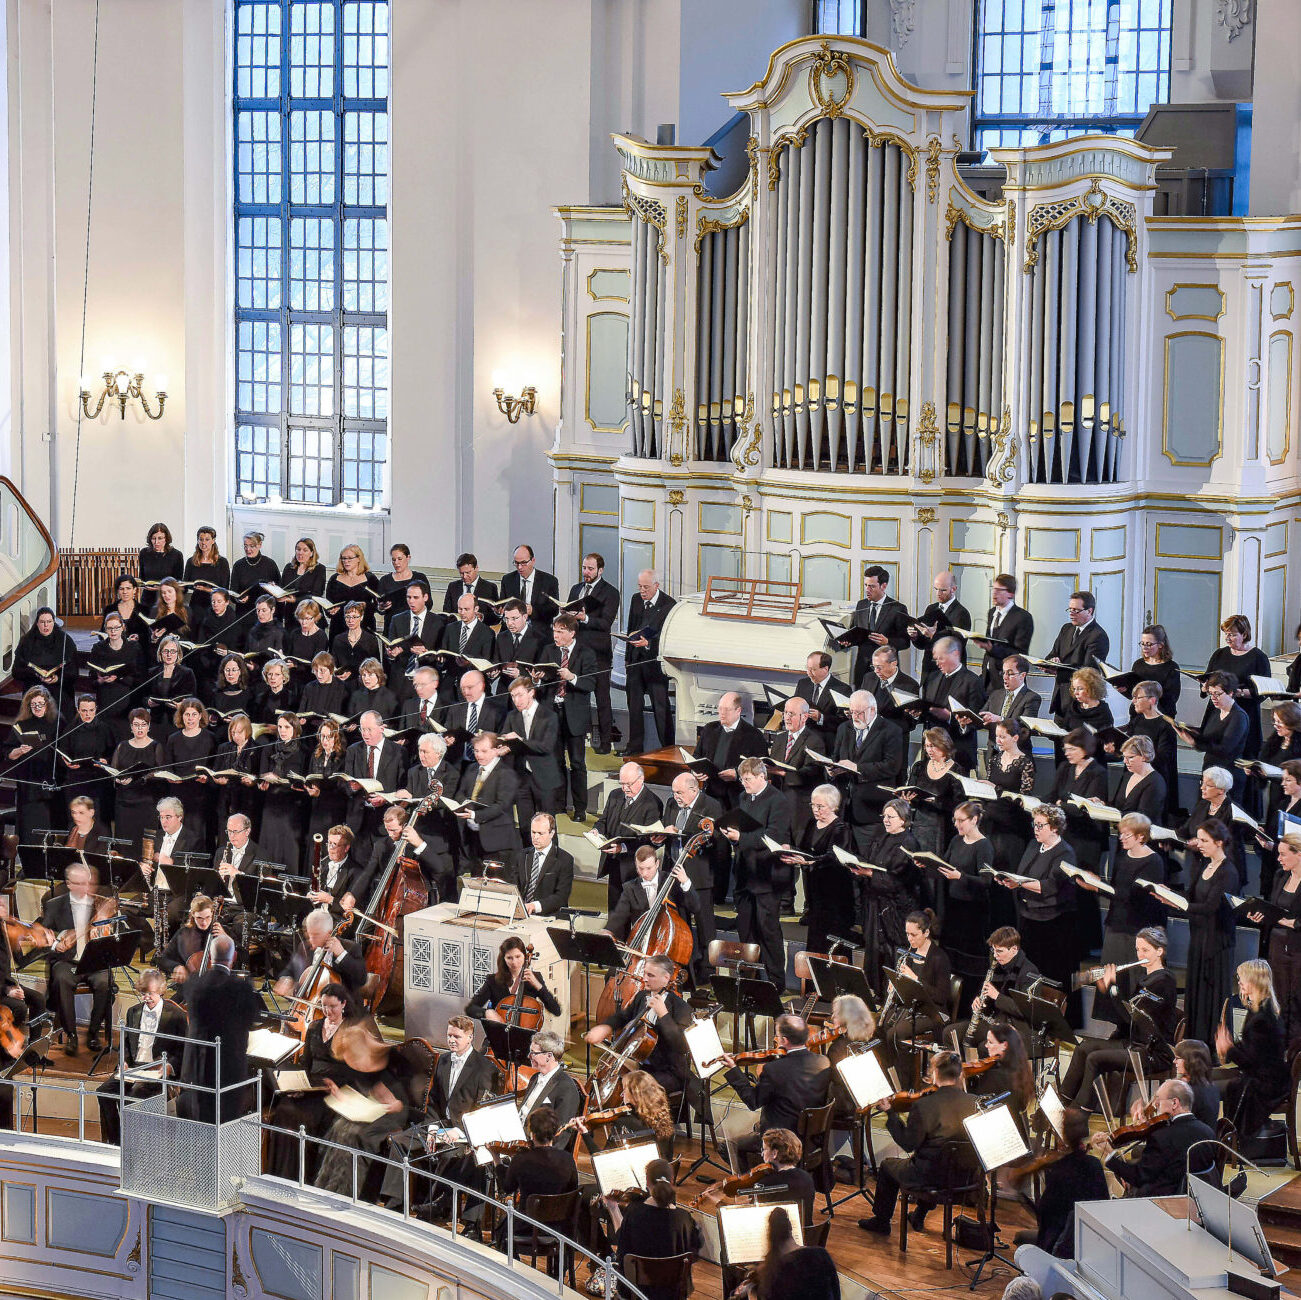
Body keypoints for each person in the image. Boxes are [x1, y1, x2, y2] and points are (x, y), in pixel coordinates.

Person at [856, 1050, 980, 1236]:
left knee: (888, 1166)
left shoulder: (925, 1105)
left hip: (929, 1179)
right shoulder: (975, 1102)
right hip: (964, 1179)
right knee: (937, 1160)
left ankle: (881, 1221)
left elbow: (908, 1144)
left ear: (935, 1074)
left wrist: (890, 1113)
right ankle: (918, 1216)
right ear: (960, 1074)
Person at [1060, 926, 1178, 1111]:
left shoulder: (1164, 982)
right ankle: (1062, 1101)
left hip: (1152, 1052)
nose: (1140, 955)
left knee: (1095, 1057)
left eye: (1145, 950)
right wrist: (1108, 989)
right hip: (1134, 1043)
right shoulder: (1145, 979)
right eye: (1138, 950)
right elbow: (1126, 1020)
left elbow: (1134, 1020)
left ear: (1159, 951)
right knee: (1084, 1047)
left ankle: (1078, 1112)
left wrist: (1113, 987)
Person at [265, 983, 367, 1181]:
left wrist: (336, 1087)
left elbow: (357, 1071)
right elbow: (305, 1063)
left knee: (304, 1117)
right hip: (311, 1088)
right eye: (324, 1006)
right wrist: (298, 1085)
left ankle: (306, 1178)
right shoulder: (314, 1027)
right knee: (286, 1109)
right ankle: (282, 1176)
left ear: (344, 1004)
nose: (328, 1011)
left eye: (333, 1006)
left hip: (335, 1091)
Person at [721, 1014, 831, 1169]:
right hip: (811, 1140)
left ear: (784, 1041)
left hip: (782, 1142)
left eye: (777, 1036)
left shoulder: (774, 1070)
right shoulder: (823, 1062)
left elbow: (753, 1101)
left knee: (728, 1146)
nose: (777, 1040)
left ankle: (754, 1185)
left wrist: (734, 1069)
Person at [720, 755, 793, 987]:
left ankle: (775, 982)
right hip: (745, 874)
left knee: (768, 931)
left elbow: (774, 836)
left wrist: (741, 837)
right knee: (746, 930)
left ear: (763, 777)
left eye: (748, 778)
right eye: (742, 779)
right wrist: (733, 838)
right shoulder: (743, 797)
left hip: (766, 876)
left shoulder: (778, 800)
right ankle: (750, 980)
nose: (744, 783)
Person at [96, 969, 188, 1144]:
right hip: (134, 1068)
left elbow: (183, 1049)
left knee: (134, 1096)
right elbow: (125, 1043)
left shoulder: (176, 1015)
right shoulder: (133, 1012)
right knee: (104, 1092)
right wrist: (123, 1061)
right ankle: (117, 1142)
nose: (146, 997)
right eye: (143, 993)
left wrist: (168, 1066)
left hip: (157, 1070)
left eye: (150, 993)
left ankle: (136, 1145)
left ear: (161, 990)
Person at [585, 952, 692, 1095]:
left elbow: (681, 1045)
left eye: (650, 975)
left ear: (666, 978)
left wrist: (663, 1015)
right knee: (607, 1079)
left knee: (634, 1087)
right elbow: (624, 1016)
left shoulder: (681, 1007)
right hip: (640, 1064)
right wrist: (605, 1027)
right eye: (645, 973)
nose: (644, 979)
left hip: (668, 1071)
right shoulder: (642, 996)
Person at [1090, 1078, 1217, 1196]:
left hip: (1164, 1203)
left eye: (1159, 1100)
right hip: (1198, 1199)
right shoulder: (1208, 1132)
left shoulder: (1161, 1137)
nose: (1155, 1104)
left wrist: (1109, 1152)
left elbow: (1138, 1178)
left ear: (1174, 1103)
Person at [40, 862, 118, 1054]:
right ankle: (71, 1035)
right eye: (80, 883)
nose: (86, 888)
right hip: (67, 961)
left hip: (94, 962)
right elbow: (42, 934)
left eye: (87, 883)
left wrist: (107, 933)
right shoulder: (54, 905)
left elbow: (116, 933)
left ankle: (93, 1033)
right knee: (62, 979)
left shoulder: (101, 903)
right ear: (69, 884)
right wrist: (54, 944)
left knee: (105, 982)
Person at [177, 962, 263, 1123]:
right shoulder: (240, 988)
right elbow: (252, 1018)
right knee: (222, 1121)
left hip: (197, 1071)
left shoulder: (195, 983)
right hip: (227, 1072)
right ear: (232, 959)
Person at [1216, 958, 1289, 1147]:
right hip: (1266, 1076)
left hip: (1267, 1084)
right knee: (1208, 1077)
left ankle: (1225, 1139)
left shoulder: (1263, 1018)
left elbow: (1252, 1063)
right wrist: (1231, 1047)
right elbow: (1252, 1051)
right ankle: (1221, 1137)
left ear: (1254, 981)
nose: (1239, 982)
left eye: (1242, 978)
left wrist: (1229, 1048)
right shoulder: (1259, 1009)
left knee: (1211, 1086)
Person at [1017, 1107, 1107, 1259]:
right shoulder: (1094, 1164)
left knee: (1021, 1237)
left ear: (1063, 1134)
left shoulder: (1058, 1170)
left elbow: (1045, 1215)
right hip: (1089, 1245)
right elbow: (1103, 1202)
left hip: (1058, 1247)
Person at [605, 1158, 701, 1300]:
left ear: (647, 1183)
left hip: (637, 1292)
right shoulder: (685, 1218)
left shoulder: (634, 1213)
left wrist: (613, 1208)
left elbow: (621, 1242)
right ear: (672, 1181)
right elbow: (695, 1253)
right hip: (673, 1293)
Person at [663, 772, 726, 977]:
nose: (676, 797)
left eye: (680, 792)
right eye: (673, 792)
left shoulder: (711, 806)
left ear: (694, 789)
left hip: (699, 876)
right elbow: (666, 834)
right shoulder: (672, 804)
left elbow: (716, 841)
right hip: (675, 872)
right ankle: (686, 968)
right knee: (681, 925)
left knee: (705, 925)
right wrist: (661, 836)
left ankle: (708, 971)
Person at [1184, 818, 1240, 1046]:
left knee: (1213, 994)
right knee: (1196, 990)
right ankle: (1194, 1040)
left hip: (1217, 942)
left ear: (1219, 843)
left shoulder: (1228, 871)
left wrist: (1181, 905)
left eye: (1204, 840)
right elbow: (1192, 896)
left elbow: (1210, 907)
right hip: (1199, 938)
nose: (1199, 844)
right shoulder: (1203, 864)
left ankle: (1214, 1046)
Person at [882, 909, 953, 1086]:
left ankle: (906, 1084)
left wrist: (915, 979)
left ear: (926, 932)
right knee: (881, 1028)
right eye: (907, 934)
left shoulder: (939, 958)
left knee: (895, 1034)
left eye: (914, 935)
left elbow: (941, 997)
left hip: (932, 1012)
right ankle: (890, 1078)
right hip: (911, 1007)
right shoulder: (907, 954)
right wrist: (895, 986)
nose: (910, 939)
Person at [784, 784, 853, 960]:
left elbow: (833, 857)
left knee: (833, 943)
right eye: (813, 805)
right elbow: (806, 850)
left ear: (833, 806)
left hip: (834, 897)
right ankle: (812, 985)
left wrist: (808, 862)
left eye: (820, 806)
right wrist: (790, 849)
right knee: (815, 941)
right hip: (815, 895)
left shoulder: (841, 828)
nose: (815, 810)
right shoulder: (811, 824)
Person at [858, 799, 922, 987]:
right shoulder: (882, 837)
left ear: (903, 819)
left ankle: (892, 995)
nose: (885, 820)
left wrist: (869, 873)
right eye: (884, 816)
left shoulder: (909, 843)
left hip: (896, 908)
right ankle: (875, 992)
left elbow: (899, 880)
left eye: (890, 817)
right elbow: (872, 863)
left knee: (893, 952)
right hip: (876, 903)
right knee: (875, 950)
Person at [828, 690, 902, 850]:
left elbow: (892, 766)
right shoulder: (843, 728)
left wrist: (858, 768)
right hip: (843, 809)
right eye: (852, 712)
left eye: (859, 713)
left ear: (873, 710)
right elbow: (836, 757)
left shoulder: (890, 730)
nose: (855, 717)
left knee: (867, 859)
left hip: (870, 810)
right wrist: (831, 771)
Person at [543, 612, 596, 822]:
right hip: (553, 712)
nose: (555, 636)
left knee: (577, 763)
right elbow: (543, 682)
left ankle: (580, 808)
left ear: (572, 633)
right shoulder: (548, 651)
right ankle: (559, 804)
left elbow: (591, 683)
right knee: (556, 762)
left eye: (560, 632)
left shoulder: (586, 653)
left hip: (574, 714)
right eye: (554, 631)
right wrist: (538, 679)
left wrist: (572, 677)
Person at [950, 926, 1041, 1048]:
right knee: (949, 1034)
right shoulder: (998, 966)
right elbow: (989, 1000)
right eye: (993, 951)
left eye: (1000, 951)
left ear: (1014, 949)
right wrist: (980, 1002)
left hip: (1016, 1027)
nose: (996, 956)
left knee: (984, 1047)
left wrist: (997, 996)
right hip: (996, 1021)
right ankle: (963, 1066)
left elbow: (1026, 1010)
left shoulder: (1030, 972)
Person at [592, 761, 663, 912]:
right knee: (615, 909)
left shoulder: (652, 803)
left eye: (629, 784)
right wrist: (596, 830)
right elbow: (603, 821)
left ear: (641, 779)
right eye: (622, 783)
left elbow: (648, 841)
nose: (625, 788)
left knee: (634, 911)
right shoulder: (615, 795)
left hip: (634, 867)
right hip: (613, 863)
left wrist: (622, 848)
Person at [933, 801, 992, 979]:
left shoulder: (984, 846)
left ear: (974, 820)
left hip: (972, 912)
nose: (956, 825)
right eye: (955, 820)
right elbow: (943, 865)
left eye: (961, 820)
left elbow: (986, 881)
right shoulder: (956, 840)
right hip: (954, 907)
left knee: (967, 964)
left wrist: (961, 877)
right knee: (949, 958)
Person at [498, 675, 562, 840]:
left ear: (531, 692)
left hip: (544, 778)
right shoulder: (512, 716)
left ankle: (551, 862)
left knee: (547, 825)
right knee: (526, 826)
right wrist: (502, 747)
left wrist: (520, 740)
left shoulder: (549, 716)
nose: (515, 700)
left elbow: (546, 746)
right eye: (512, 696)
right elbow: (506, 741)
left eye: (519, 695)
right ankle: (527, 861)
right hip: (522, 779)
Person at [604, 845, 700, 952]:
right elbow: (619, 916)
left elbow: (695, 907)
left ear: (657, 864)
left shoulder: (673, 881)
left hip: (671, 947)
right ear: (636, 865)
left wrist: (685, 881)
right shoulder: (630, 888)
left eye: (649, 868)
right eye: (640, 868)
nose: (644, 873)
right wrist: (608, 931)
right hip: (642, 946)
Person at [1205, 615, 1271, 764]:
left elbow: (1263, 691)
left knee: (1241, 759)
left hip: (1244, 713)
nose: (1228, 638)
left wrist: (1238, 693)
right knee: (1214, 757)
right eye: (1226, 634)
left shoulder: (1258, 657)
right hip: (1218, 712)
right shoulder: (1219, 654)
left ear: (1245, 634)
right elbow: (1209, 679)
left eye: (1233, 635)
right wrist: (1205, 687)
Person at [623, 569, 675, 754]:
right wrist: (627, 659)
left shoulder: (669, 604)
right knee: (634, 705)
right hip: (636, 662)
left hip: (655, 664)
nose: (642, 591)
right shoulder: (636, 600)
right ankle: (634, 747)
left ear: (656, 586)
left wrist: (649, 643)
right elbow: (631, 628)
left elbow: (668, 635)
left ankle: (668, 748)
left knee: (661, 708)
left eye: (646, 587)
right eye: (640, 586)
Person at [917, 635, 985, 772]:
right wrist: (917, 712)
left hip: (958, 751)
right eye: (935, 659)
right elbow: (927, 708)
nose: (937, 663)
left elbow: (977, 720)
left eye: (941, 658)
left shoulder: (972, 681)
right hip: (932, 753)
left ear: (955, 654)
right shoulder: (932, 678)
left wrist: (949, 717)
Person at [1178, 671, 1251, 798]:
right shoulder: (1216, 711)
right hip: (1210, 770)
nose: (1213, 698)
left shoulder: (1239, 717)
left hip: (1227, 775)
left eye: (1217, 694)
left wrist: (1195, 743)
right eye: (1211, 694)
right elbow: (1208, 735)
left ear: (1231, 693)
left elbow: (1225, 749)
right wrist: (1190, 731)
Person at [694, 691, 768, 811]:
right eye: (720, 708)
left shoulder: (753, 735)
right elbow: (697, 755)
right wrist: (696, 770)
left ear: (738, 711)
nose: (722, 713)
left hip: (738, 798)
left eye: (727, 710)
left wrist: (738, 774)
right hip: (711, 794)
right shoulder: (709, 729)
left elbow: (762, 768)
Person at [453, 731, 521, 862]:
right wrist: (466, 806)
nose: (478, 755)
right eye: (476, 751)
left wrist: (474, 815)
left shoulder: (506, 774)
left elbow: (501, 806)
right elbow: (460, 793)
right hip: (473, 838)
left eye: (484, 751)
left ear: (497, 750)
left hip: (497, 842)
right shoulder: (471, 769)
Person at [5, 685, 60, 844]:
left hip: (47, 781)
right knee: (27, 826)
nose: (37, 708)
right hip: (27, 783)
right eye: (33, 704)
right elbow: (8, 754)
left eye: (40, 704)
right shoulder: (22, 724)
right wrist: (20, 751)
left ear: (47, 704)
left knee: (45, 825)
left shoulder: (56, 722)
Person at [466, 934, 562, 1024]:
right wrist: (486, 1013)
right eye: (509, 958)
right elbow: (471, 1009)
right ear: (503, 959)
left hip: (526, 1034)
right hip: (500, 1031)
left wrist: (538, 985)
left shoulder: (535, 978)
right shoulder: (493, 981)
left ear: (524, 956)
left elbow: (556, 1011)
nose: (514, 962)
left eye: (518, 956)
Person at [274, 907, 368, 998]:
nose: (311, 940)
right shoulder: (305, 947)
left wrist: (341, 954)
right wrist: (286, 979)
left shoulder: (350, 947)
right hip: (307, 1006)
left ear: (329, 933)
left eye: (315, 935)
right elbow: (290, 970)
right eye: (309, 935)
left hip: (343, 1009)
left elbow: (361, 979)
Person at [158, 894, 236, 1001]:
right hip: (189, 990)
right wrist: (176, 967)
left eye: (208, 917)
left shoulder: (222, 931)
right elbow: (161, 959)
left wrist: (226, 939)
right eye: (199, 918)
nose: (204, 922)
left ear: (213, 914)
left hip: (218, 989)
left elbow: (243, 956)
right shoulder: (184, 933)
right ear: (193, 914)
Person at [1263, 831, 1301, 1051]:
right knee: (1279, 999)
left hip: (1297, 948)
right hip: (1277, 946)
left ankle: (1296, 1055)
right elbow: (1273, 907)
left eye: (1284, 854)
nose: (1279, 859)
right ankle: (1280, 1051)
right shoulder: (1280, 875)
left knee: (1296, 1002)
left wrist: (1291, 923)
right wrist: (1261, 914)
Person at [1045, 591, 1109, 716]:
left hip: (1080, 701)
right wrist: (1052, 662)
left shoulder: (1098, 636)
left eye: (1076, 610)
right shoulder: (1066, 628)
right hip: (1060, 697)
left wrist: (1058, 670)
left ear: (1089, 611)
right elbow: (1052, 655)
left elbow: (1089, 673)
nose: (1071, 614)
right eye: (1070, 609)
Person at [845, 564, 910, 686]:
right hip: (862, 669)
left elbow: (905, 642)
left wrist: (888, 642)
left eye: (872, 586)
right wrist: (847, 640)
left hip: (886, 670)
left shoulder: (897, 608)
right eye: (866, 585)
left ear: (883, 586)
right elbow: (854, 632)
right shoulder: (861, 605)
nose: (867, 590)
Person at [13, 607, 81, 717]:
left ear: (54, 622)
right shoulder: (27, 641)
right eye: (42, 622)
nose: (46, 626)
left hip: (59, 690)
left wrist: (57, 678)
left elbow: (73, 672)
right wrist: (35, 674)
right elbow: (16, 671)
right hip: (34, 688)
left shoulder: (65, 640)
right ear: (37, 623)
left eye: (49, 622)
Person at [515, 1030, 585, 1134]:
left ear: (548, 1056)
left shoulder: (566, 1088)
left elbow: (562, 1134)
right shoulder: (534, 1078)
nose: (529, 1056)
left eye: (534, 1053)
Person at [978, 574, 1035, 689]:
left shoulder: (1022, 617)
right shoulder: (992, 612)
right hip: (987, 677)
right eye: (993, 589)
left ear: (1010, 593)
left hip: (1006, 679)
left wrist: (991, 648)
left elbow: (1020, 654)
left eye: (999, 590)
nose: (994, 593)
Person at [795, 651, 851, 751]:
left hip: (825, 741)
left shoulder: (842, 689)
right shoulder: (803, 683)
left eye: (813, 670)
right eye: (807, 668)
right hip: (802, 738)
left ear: (825, 669)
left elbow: (843, 722)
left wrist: (821, 718)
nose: (808, 673)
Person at [499, 543, 560, 625]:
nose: (520, 567)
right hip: (511, 628)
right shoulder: (508, 580)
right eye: (516, 563)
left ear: (533, 561)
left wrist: (533, 610)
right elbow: (503, 604)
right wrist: (499, 611)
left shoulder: (549, 581)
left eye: (523, 563)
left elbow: (554, 610)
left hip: (538, 630)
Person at [1112, 735, 1167, 822]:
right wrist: (1100, 804)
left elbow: (1144, 817)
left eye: (1130, 757)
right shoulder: (1127, 776)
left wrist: (1114, 815)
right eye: (1124, 757)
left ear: (1144, 756)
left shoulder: (1155, 782)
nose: (1125, 761)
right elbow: (1117, 806)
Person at [1173, 1039, 1221, 1129]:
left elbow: (1178, 1124)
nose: (1174, 1061)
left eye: (1177, 1058)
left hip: (1194, 1140)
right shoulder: (1211, 1086)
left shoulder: (1190, 1091)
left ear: (1190, 1061)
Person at [230, 530, 281, 606]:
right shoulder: (238, 565)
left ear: (260, 545)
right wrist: (238, 599)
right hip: (244, 609)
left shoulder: (270, 564)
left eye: (252, 546)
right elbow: (233, 592)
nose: (248, 549)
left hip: (265, 610)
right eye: (245, 546)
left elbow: (279, 591)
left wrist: (272, 587)